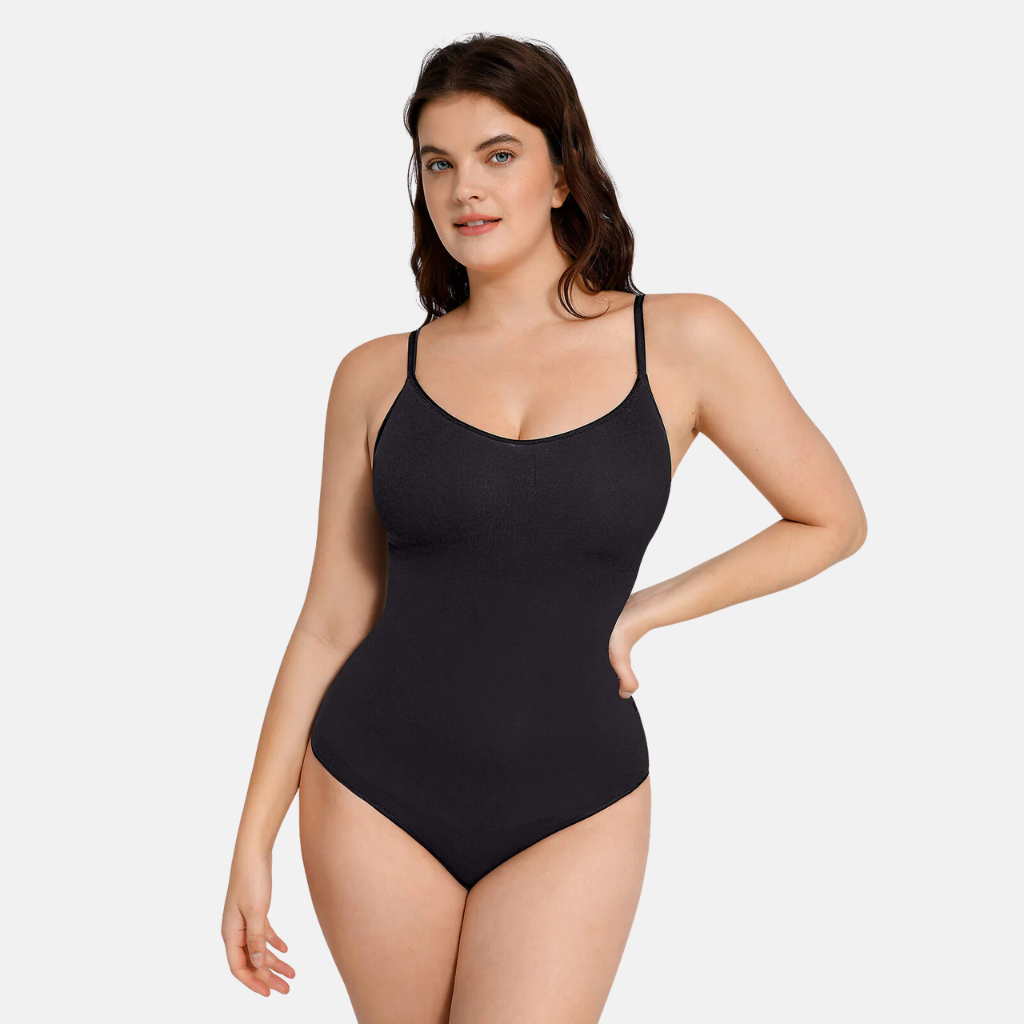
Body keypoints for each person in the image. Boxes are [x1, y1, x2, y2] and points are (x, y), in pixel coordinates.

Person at [221, 32, 867, 1023]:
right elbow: (329, 619)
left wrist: (644, 610)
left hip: (578, 796)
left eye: (498, 154)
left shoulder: (684, 339)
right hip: (372, 788)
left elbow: (830, 518)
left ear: (562, 173)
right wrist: (251, 840)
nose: (464, 189)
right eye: (438, 164)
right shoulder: (374, 375)